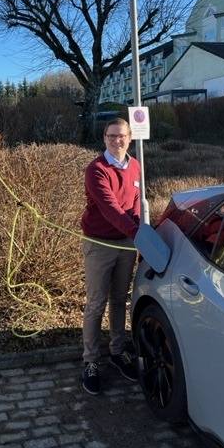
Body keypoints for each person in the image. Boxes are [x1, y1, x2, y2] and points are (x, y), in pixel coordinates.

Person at [80, 117, 140, 395]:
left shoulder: (136, 166)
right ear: (104, 138)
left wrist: (139, 234)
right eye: (111, 136)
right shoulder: (97, 169)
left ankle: (117, 352)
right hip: (100, 243)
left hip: (126, 243)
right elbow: (111, 208)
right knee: (96, 303)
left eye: (122, 135)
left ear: (130, 137)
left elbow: (136, 205)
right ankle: (90, 361)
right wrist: (138, 234)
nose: (117, 140)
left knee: (119, 300)